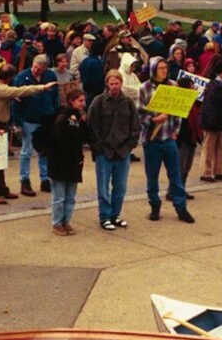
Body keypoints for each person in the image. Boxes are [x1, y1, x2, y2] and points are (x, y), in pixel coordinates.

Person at [0, 64, 54, 204]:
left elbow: (11, 92)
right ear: (9, 78)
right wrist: (42, 87)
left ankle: (1, 188)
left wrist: (12, 96)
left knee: (0, 160)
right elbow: (21, 91)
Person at [137, 58, 194, 224]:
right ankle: (154, 205)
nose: (163, 70)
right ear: (153, 69)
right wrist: (153, 119)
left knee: (175, 175)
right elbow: (139, 113)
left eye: (165, 68)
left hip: (168, 138)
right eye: (160, 68)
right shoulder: (145, 88)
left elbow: (178, 110)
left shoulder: (173, 85)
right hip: (152, 139)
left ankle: (181, 207)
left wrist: (175, 130)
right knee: (152, 176)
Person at [87, 70, 139, 231]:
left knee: (120, 187)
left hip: (123, 151)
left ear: (121, 83)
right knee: (103, 187)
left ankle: (115, 215)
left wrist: (131, 144)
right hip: (105, 152)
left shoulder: (128, 102)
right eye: (111, 84)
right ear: (107, 84)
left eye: (117, 83)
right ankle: (104, 217)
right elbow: (92, 126)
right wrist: (99, 148)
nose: (114, 86)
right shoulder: (98, 102)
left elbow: (135, 125)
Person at [12, 55, 59, 196]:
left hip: (46, 119)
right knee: (27, 151)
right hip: (28, 119)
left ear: (45, 68)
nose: (35, 70)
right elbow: (16, 102)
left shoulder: (51, 76)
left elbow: (55, 97)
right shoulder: (22, 77)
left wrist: (55, 115)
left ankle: (45, 179)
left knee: (44, 151)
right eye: (34, 67)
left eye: (39, 68)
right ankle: (24, 180)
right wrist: (18, 123)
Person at [49, 88, 88, 236]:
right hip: (60, 161)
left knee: (70, 196)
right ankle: (57, 223)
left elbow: (84, 138)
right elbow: (60, 139)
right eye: (80, 101)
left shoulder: (80, 118)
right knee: (59, 196)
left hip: (74, 161)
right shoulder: (63, 117)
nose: (83, 104)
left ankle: (66, 221)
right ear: (72, 101)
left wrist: (84, 123)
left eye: (84, 101)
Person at [199, 57, 222, 181]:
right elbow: (210, 106)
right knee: (208, 148)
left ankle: (218, 170)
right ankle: (205, 172)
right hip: (212, 122)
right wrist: (212, 122)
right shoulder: (214, 85)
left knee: (220, 148)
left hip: (220, 121)